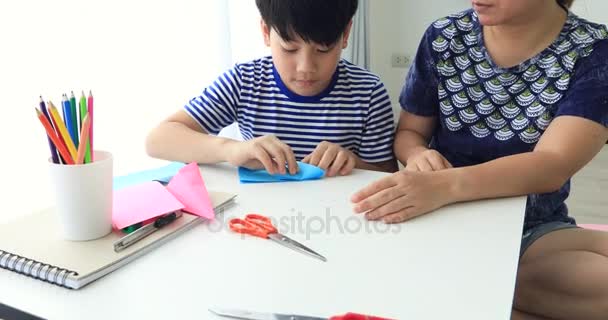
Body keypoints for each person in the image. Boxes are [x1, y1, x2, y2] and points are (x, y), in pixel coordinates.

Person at [351, 0, 608, 319]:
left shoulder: (593, 51)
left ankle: (469, 291)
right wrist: (418, 154)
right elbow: (408, 134)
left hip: (531, 230)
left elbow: (552, 164)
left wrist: (445, 185)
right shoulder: (444, 37)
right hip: (438, 221)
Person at [146, 0, 397, 177]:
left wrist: (353, 164)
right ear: (266, 32)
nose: (305, 67)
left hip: (339, 219)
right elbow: (158, 140)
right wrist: (232, 150)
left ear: (345, 34)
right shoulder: (245, 82)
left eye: (323, 49)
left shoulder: (368, 92)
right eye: (289, 48)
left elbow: (387, 173)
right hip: (262, 218)